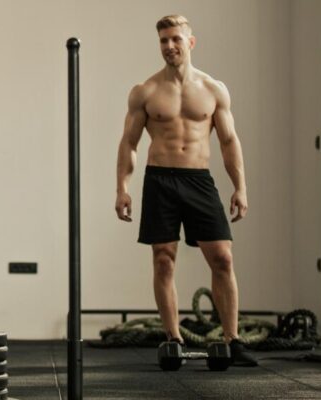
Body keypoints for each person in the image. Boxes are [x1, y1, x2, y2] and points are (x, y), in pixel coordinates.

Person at [114, 15, 257, 366]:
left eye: (175, 39)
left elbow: (228, 141)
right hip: (160, 179)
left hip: (198, 179)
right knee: (163, 259)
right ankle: (173, 338)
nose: (169, 46)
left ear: (190, 42)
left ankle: (233, 339)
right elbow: (129, 143)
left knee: (222, 257)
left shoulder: (213, 89)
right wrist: (123, 188)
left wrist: (240, 187)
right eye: (163, 40)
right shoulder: (144, 91)